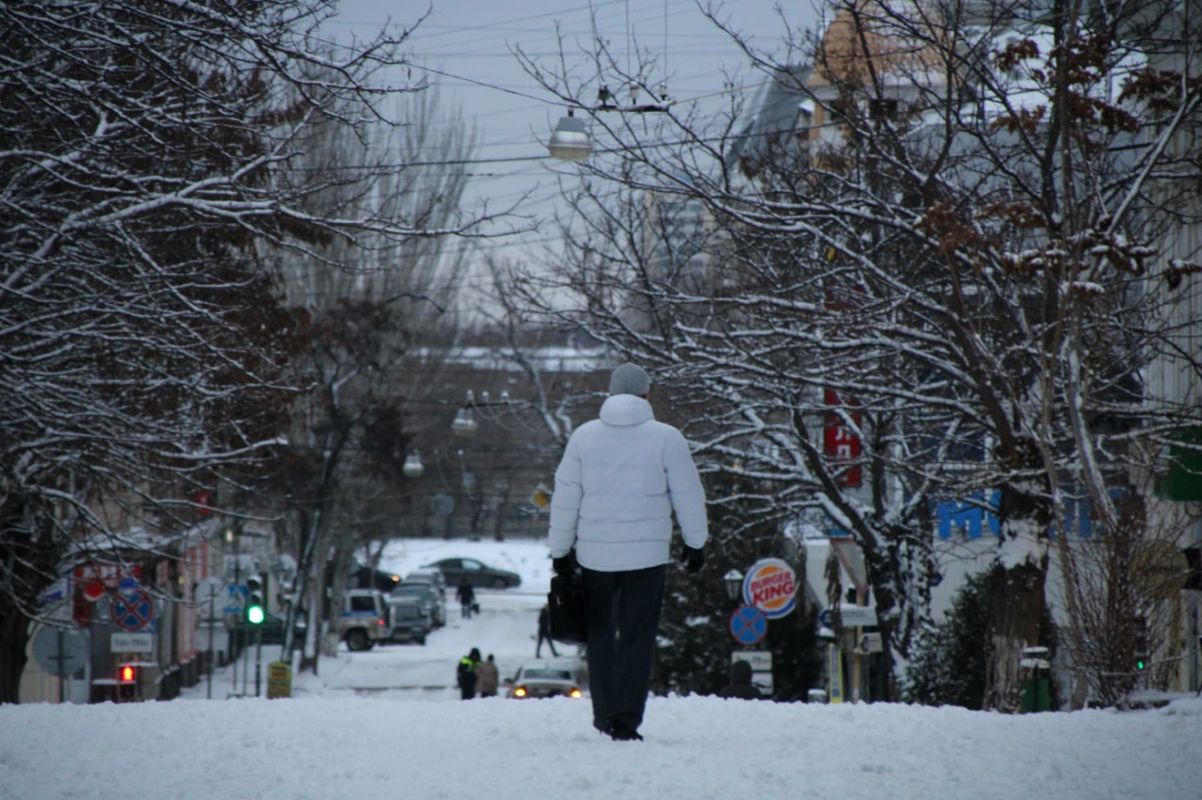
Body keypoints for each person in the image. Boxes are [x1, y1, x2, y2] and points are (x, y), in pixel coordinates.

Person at [548, 362, 708, 742]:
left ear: (611, 393)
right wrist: (695, 544)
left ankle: (604, 715)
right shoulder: (668, 438)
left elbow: (566, 498)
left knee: (601, 637)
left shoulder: (584, 438)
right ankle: (626, 721)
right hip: (648, 559)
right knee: (637, 639)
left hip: (595, 559)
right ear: (646, 394)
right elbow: (688, 495)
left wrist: (560, 550)